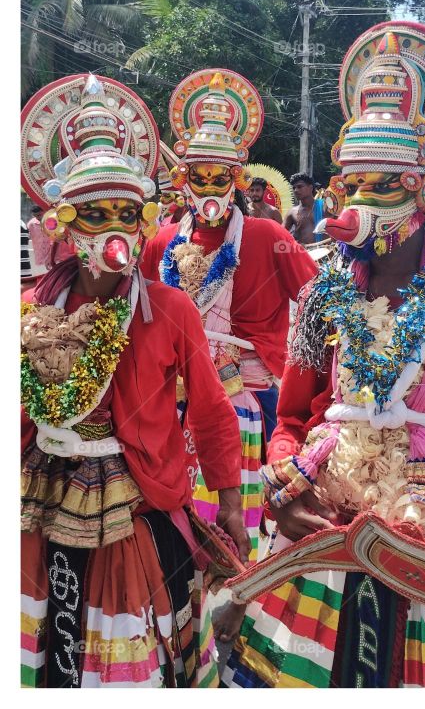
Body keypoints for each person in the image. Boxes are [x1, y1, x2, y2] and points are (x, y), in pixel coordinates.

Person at [223, 21, 425, 688]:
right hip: (324, 526)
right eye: (350, 188)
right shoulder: (321, 296)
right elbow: (290, 419)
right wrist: (281, 491)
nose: (358, 208)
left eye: (381, 188)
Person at [20, 74, 247, 687]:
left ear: (146, 219)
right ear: (64, 222)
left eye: (126, 213)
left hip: (138, 499)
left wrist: (230, 503)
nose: (113, 230)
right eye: (95, 214)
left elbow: (211, 410)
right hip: (40, 492)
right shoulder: (31, 306)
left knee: (129, 649)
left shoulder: (170, 309)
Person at [140, 70, 318, 585]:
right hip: (173, 391)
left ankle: (243, 585)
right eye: (201, 178)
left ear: (237, 181)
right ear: (184, 180)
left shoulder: (266, 234)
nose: (211, 189)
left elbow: (316, 300)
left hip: (249, 386)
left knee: (243, 516)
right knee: (170, 509)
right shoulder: (162, 242)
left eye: (221, 179)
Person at [285, 171, 323, 244]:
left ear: (311, 187)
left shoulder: (324, 206)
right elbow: (280, 233)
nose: (296, 190)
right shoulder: (292, 212)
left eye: (299, 186)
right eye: (294, 188)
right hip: (302, 253)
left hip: (326, 252)